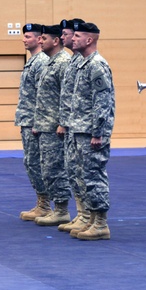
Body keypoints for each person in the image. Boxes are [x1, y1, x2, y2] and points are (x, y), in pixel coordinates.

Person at [65, 22, 114, 241]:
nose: (73, 39)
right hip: (80, 129)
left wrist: (98, 132)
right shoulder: (84, 64)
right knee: (84, 176)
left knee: (94, 176)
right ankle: (92, 218)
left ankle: (101, 223)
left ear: (89, 39)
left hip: (91, 131)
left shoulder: (96, 65)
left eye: (77, 36)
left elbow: (102, 102)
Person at [32, 23, 73, 226]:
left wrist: (63, 123)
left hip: (55, 127)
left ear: (55, 41)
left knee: (56, 168)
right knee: (47, 168)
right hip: (46, 125)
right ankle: (55, 208)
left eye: (44, 38)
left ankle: (62, 210)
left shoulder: (63, 62)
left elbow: (67, 96)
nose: (40, 41)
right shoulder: (50, 62)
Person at [14, 23, 50, 221]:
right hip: (27, 119)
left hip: (36, 122)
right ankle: (41, 202)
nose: (24, 39)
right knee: (31, 163)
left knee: (38, 163)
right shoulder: (33, 61)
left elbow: (43, 96)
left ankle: (46, 205)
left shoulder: (41, 61)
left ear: (38, 39)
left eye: (28, 36)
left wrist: (38, 121)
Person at [58, 18, 88, 232]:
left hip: (83, 127)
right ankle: (82, 214)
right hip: (73, 126)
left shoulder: (90, 63)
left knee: (85, 173)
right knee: (74, 173)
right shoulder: (73, 62)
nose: (65, 38)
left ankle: (88, 216)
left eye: (70, 34)